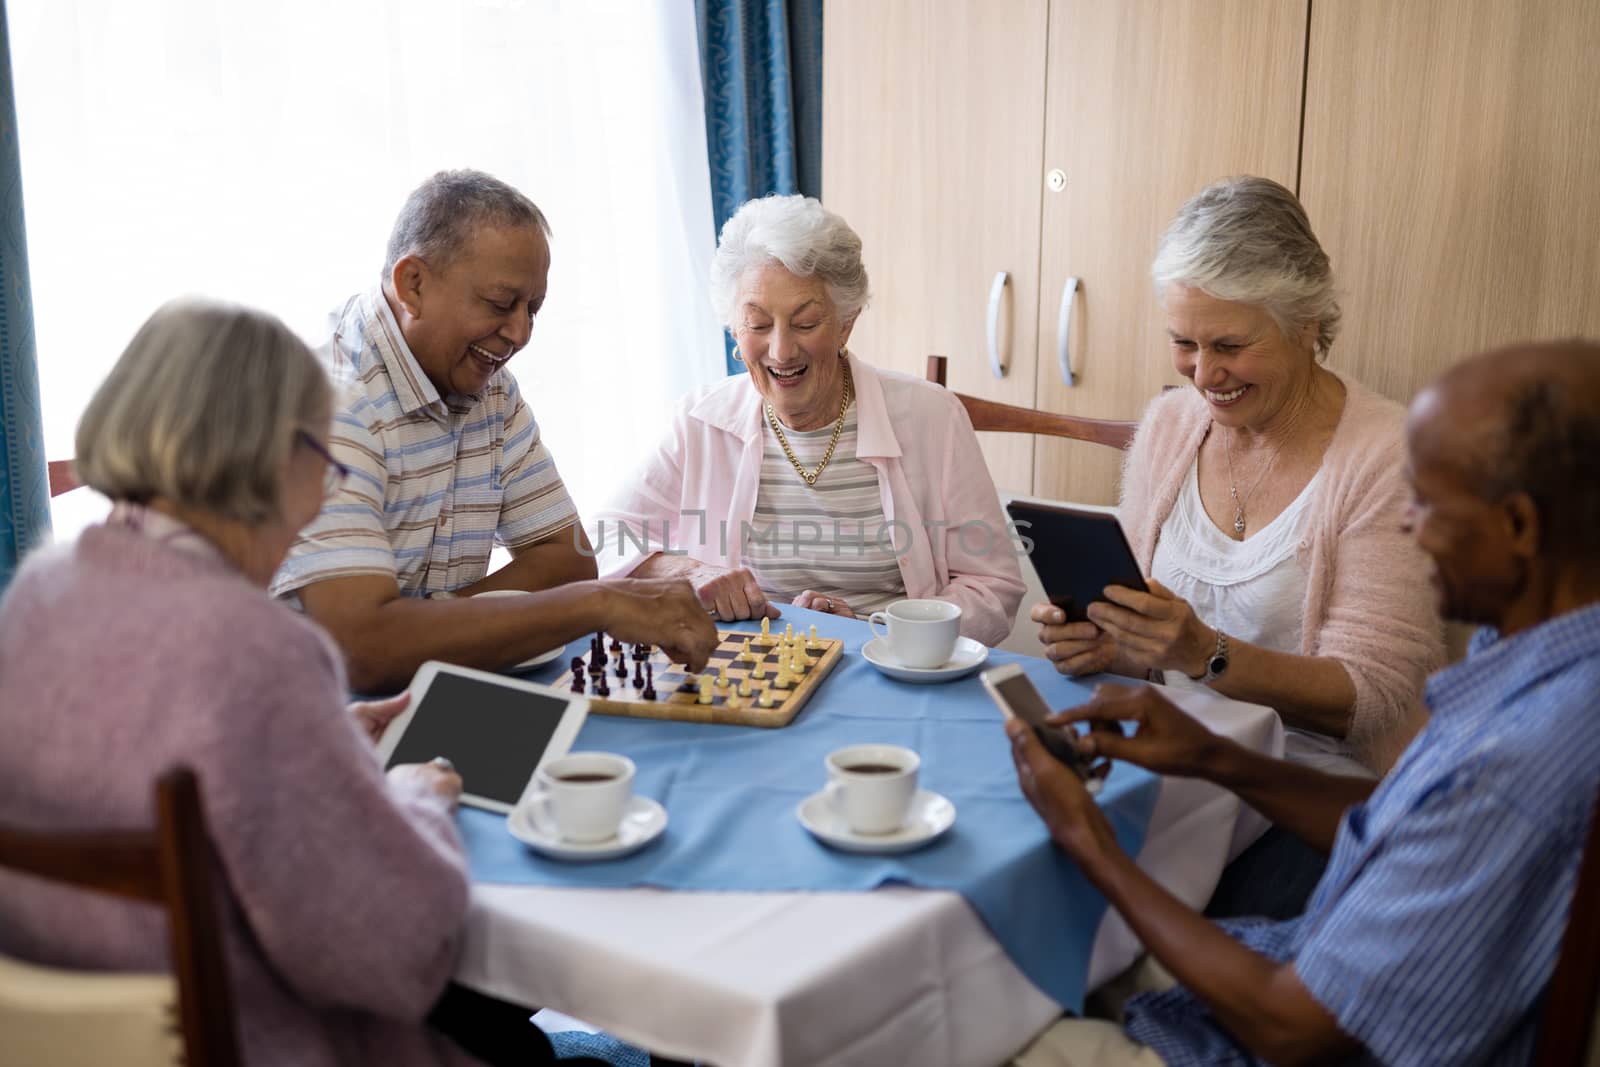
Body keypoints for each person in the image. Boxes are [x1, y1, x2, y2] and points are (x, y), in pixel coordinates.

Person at [0, 301, 605, 1065]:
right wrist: (418, 794)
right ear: (273, 456)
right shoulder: (259, 650)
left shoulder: (36, 591)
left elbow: (152, 761)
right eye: (327, 462)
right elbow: (389, 956)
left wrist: (317, 746)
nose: (324, 497)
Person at [1006, 339, 1600, 1066]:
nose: (1408, 525)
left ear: (1518, 527)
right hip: (1291, 960)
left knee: (973, 1029)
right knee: (1026, 959)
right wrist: (1213, 755)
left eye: (1430, 502)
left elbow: (1292, 1027)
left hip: (1278, 1028)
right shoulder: (1544, 658)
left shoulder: (1517, 764)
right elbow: (1399, 823)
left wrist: (1086, 839)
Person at [1033, 176, 1444, 779]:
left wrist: (1205, 654)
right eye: (1183, 343)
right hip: (1170, 757)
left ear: (1306, 323)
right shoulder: (1171, 423)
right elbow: (1153, 646)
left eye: (1229, 344)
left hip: (1315, 791)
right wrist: (1108, 645)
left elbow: (1372, 696)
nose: (1203, 374)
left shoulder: (1387, 456)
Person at [270, 170, 716, 691]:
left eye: (534, 309)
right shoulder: (327, 402)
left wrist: (426, 629)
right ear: (412, 283)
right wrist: (594, 605)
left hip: (433, 698)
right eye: (502, 304)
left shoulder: (491, 388)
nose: (520, 333)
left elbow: (567, 560)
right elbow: (363, 652)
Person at [590, 194, 1026, 646]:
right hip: (748, 670)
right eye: (758, 324)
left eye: (805, 322)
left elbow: (992, 588)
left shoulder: (932, 417)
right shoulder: (700, 421)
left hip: (891, 665)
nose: (781, 351)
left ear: (846, 324)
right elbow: (602, 543)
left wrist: (877, 631)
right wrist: (695, 571)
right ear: (735, 330)